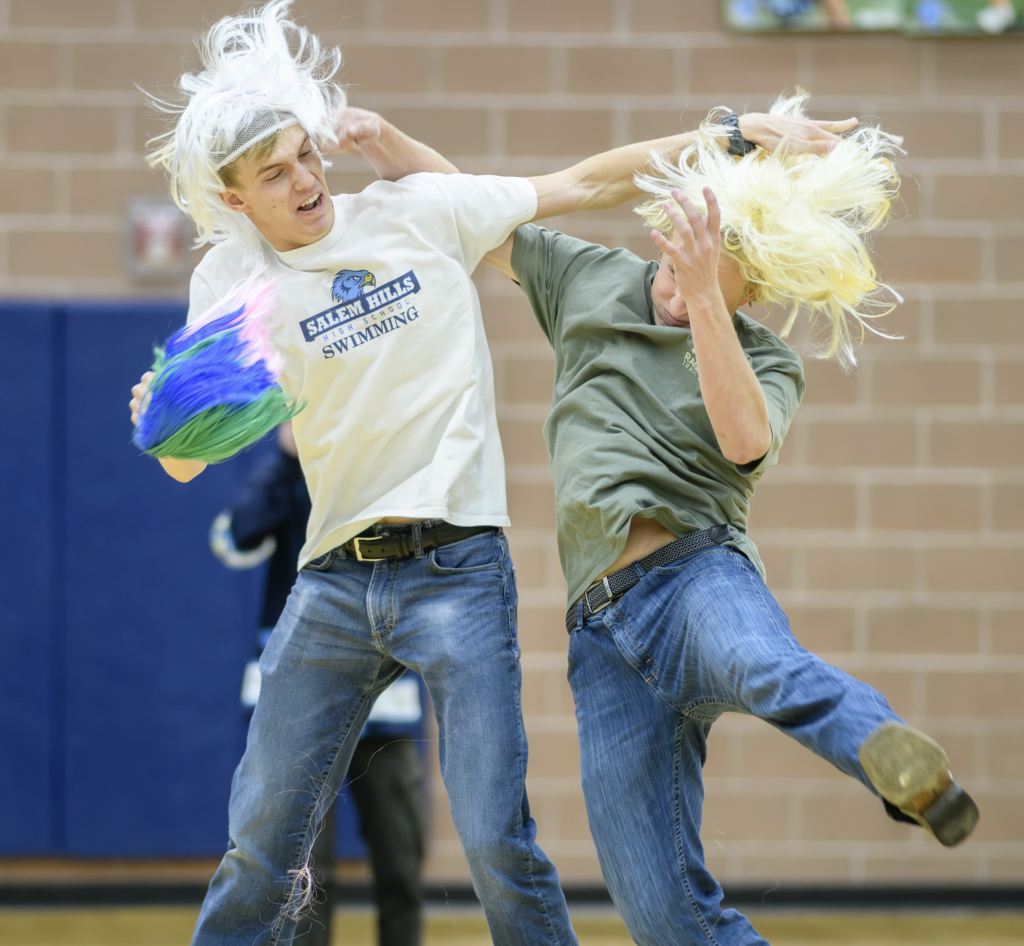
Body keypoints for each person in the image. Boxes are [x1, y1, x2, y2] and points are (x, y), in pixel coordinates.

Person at [128, 4, 854, 942]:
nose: (307, 179)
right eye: (276, 173)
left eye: (308, 154)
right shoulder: (231, 286)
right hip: (334, 576)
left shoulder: (417, 211)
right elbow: (186, 463)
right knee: (262, 843)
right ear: (235, 201)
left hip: (458, 569)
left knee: (494, 841)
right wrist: (155, 415)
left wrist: (735, 132)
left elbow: (586, 181)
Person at [481, 94, 980, 946]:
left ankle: (902, 770)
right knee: (663, 913)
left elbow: (745, 442)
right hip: (600, 640)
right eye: (678, 272)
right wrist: (380, 145)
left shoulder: (765, 359)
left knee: (765, 668)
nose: (681, 296)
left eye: (715, 285)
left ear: (753, 292)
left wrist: (707, 300)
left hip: (695, 579)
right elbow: (470, 214)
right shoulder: (584, 277)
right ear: (662, 239)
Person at [209, 421, 426, 946]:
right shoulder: (287, 478)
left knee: (401, 858)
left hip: (385, 701)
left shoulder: (381, 467)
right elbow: (237, 535)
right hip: (299, 703)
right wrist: (286, 459)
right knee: (303, 873)